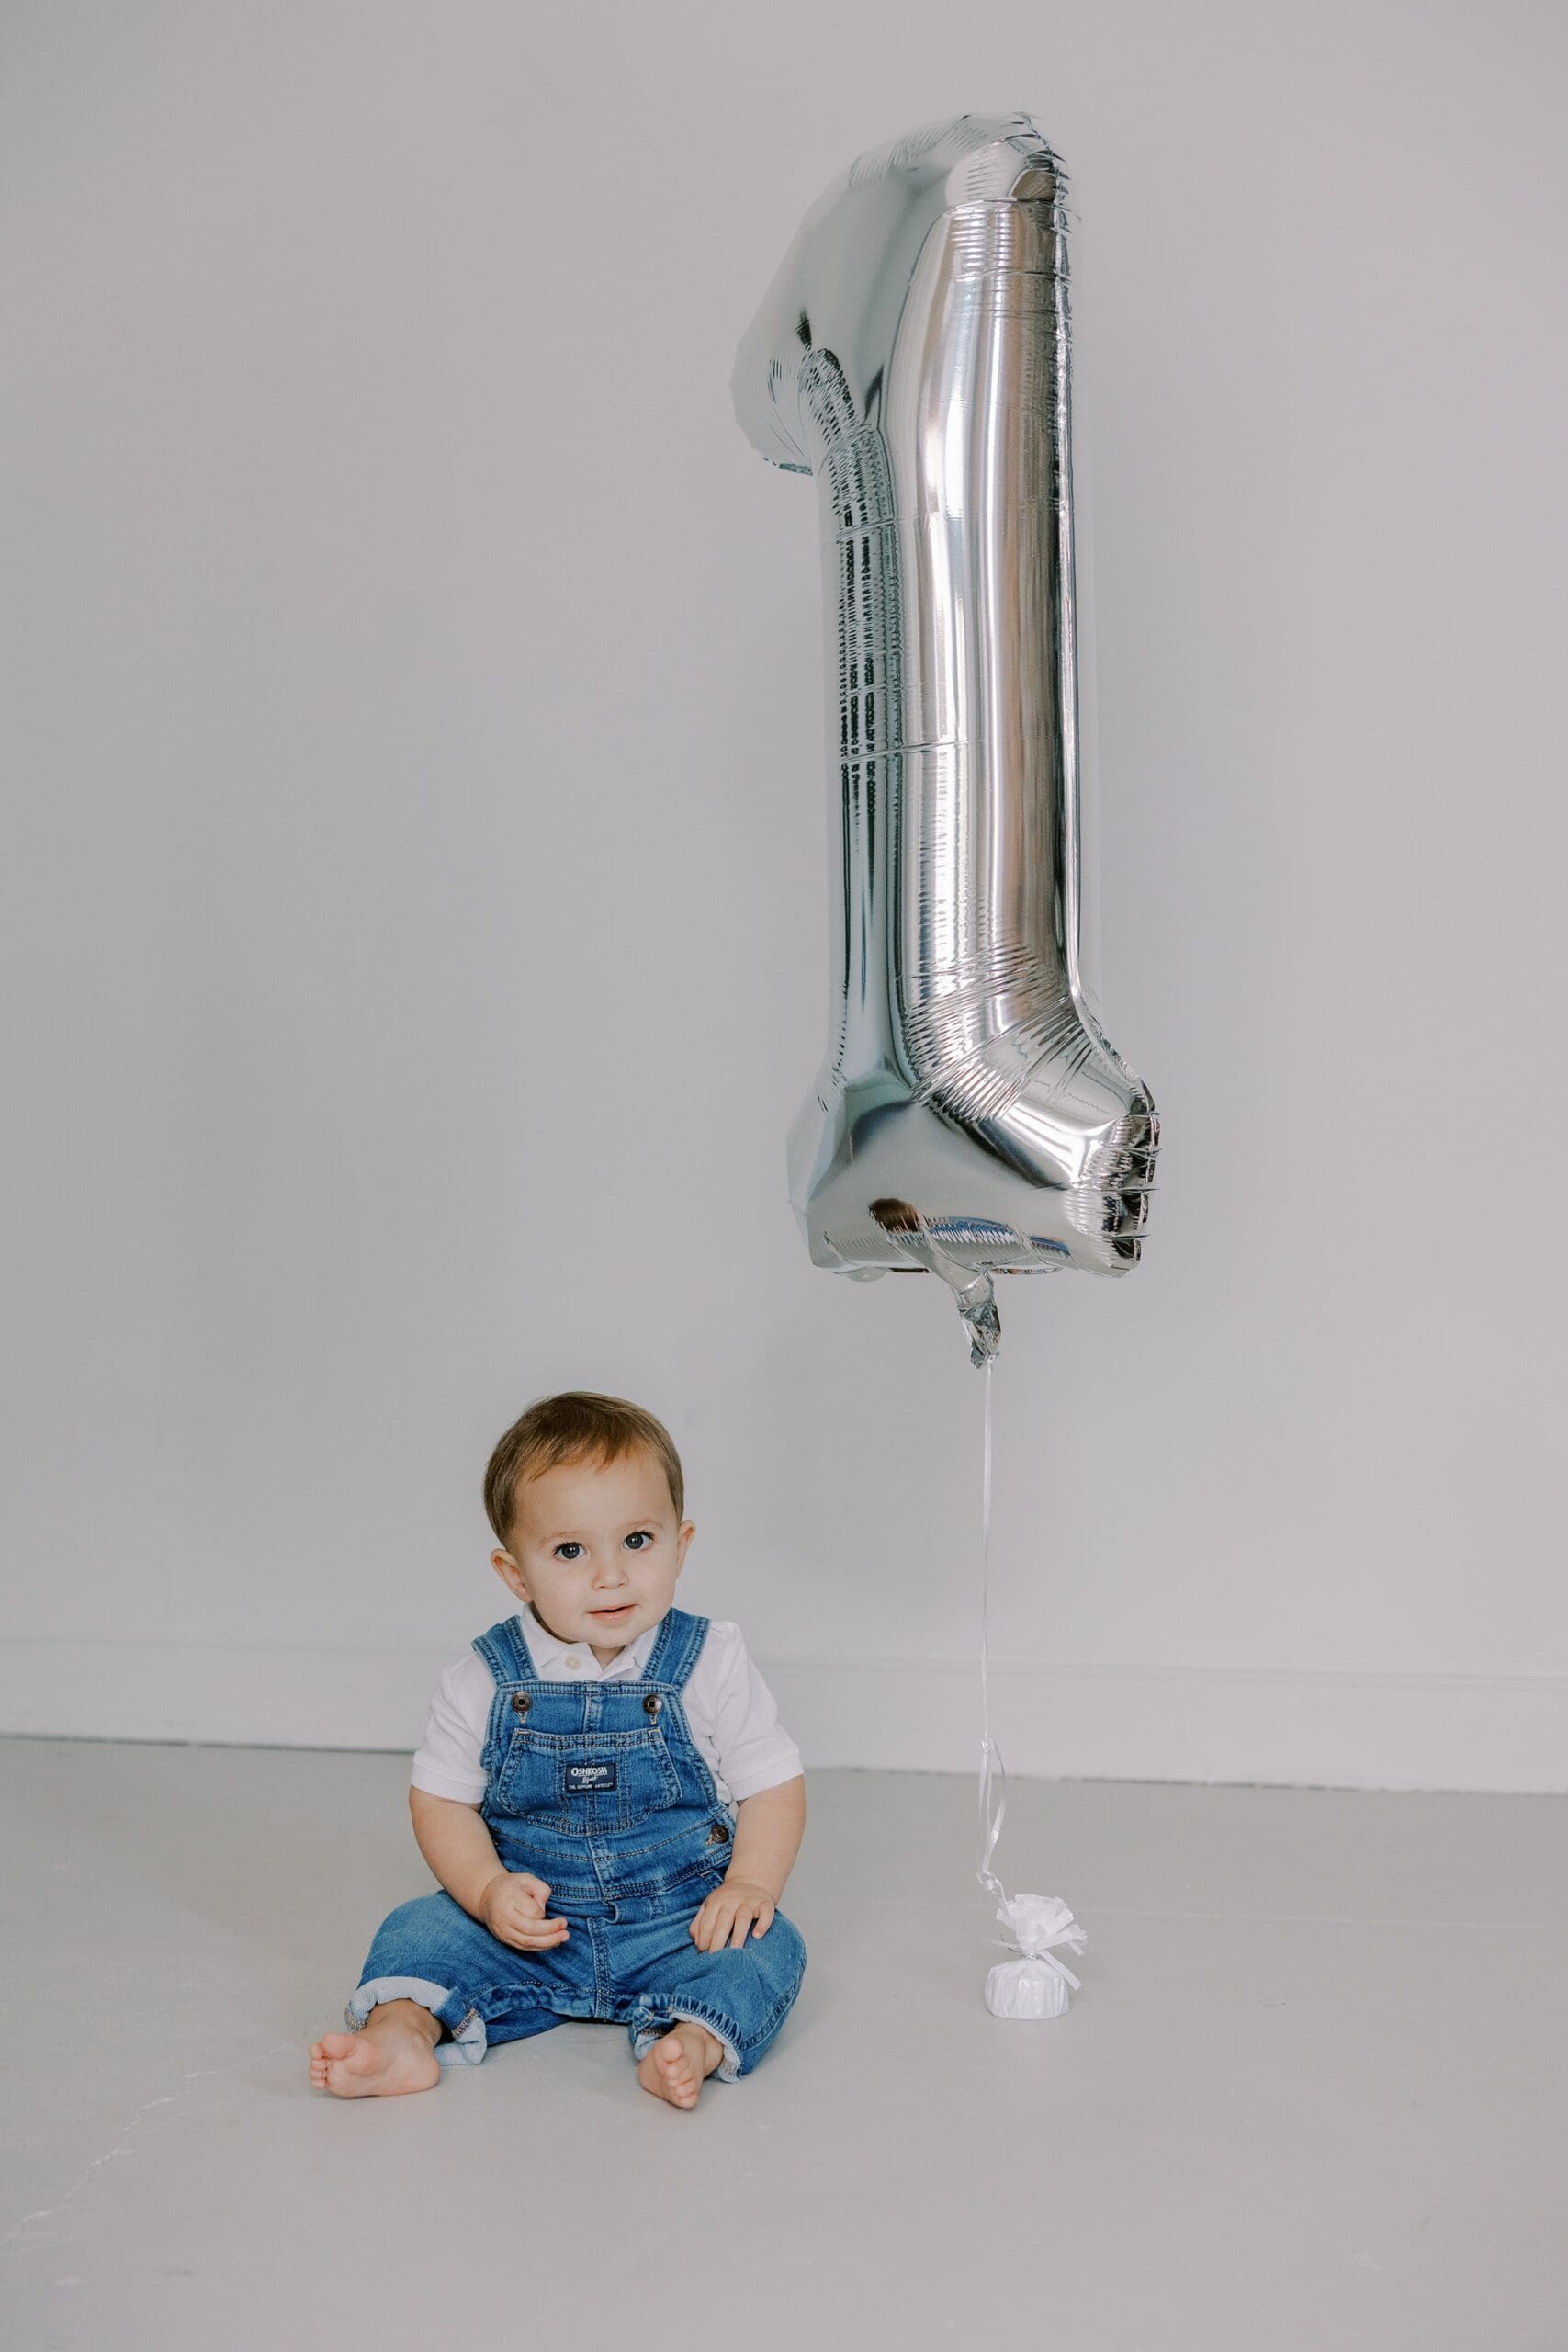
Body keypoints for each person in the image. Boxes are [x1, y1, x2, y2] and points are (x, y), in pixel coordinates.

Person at [308, 1391, 807, 2109]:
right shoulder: (483, 1678)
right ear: (515, 1573)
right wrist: (485, 1891)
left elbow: (772, 1784)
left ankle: (691, 2039)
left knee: (769, 1946)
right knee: (418, 1929)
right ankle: (401, 2034)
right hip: (531, 1929)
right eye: (570, 1550)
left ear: (681, 1543)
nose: (610, 1574)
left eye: (637, 1541)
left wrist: (748, 1887)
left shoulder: (710, 1662)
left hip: (678, 1920)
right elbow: (440, 1801)